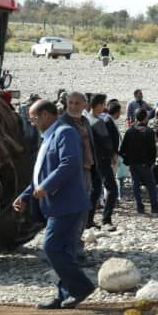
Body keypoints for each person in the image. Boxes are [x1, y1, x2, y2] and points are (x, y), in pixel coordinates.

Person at [13, 99, 95, 309]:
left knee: (52, 247)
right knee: (63, 250)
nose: (31, 122)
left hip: (68, 203)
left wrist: (47, 187)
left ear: (46, 115)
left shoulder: (65, 133)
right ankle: (63, 294)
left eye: (33, 118)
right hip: (57, 204)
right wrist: (26, 195)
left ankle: (82, 287)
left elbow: (69, 163)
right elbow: (42, 172)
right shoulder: (50, 136)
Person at [61, 92, 99, 233]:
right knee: (72, 206)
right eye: (70, 102)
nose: (73, 106)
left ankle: (77, 238)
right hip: (70, 171)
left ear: (85, 105)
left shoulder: (85, 121)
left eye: (77, 103)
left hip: (86, 169)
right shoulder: (62, 122)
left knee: (83, 205)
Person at [119, 108, 158, 214]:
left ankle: (139, 207)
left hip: (133, 163)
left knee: (135, 185)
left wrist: (127, 160)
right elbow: (152, 149)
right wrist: (152, 162)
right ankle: (154, 207)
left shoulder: (130, 131)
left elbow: (123, 149)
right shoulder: (149, 131)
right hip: (145, 163)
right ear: (145, 118)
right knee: (151, 185)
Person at [89, 94, 120, 230]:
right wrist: (113, 155)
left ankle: (88, 220)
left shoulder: (87, 119)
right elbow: (107, 143)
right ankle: (106, 220)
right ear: (99, 105)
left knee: (95, 191)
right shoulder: (98, 122)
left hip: (92, 161)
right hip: (102, 160)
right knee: (112, 190)